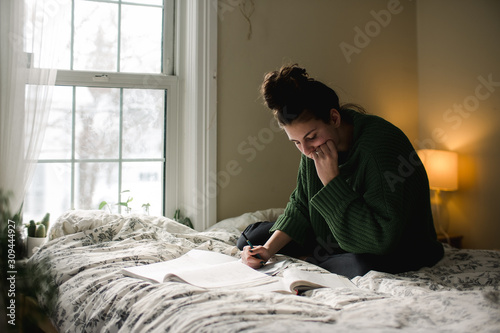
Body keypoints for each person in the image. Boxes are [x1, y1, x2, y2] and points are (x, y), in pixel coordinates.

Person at [237, 64, 444, 278]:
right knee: (251, 239)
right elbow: (300, 204)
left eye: (311, 137)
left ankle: (314, 260)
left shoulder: (380, 147)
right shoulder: (314, 148)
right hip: (335, 237)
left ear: (334, 118)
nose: (307, 150)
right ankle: (322, 259)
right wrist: (268, 250)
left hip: (392, 246)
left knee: (364, 265)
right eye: (296, 142)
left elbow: (381, 239)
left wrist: (332, 182)